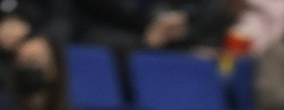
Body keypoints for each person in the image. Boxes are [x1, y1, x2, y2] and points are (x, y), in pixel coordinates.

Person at [69, 0, 231, 54]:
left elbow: (196, 13)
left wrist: (192, 45)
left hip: (173, 55)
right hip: (114, 63)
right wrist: (143, 42)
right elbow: (84, 32)